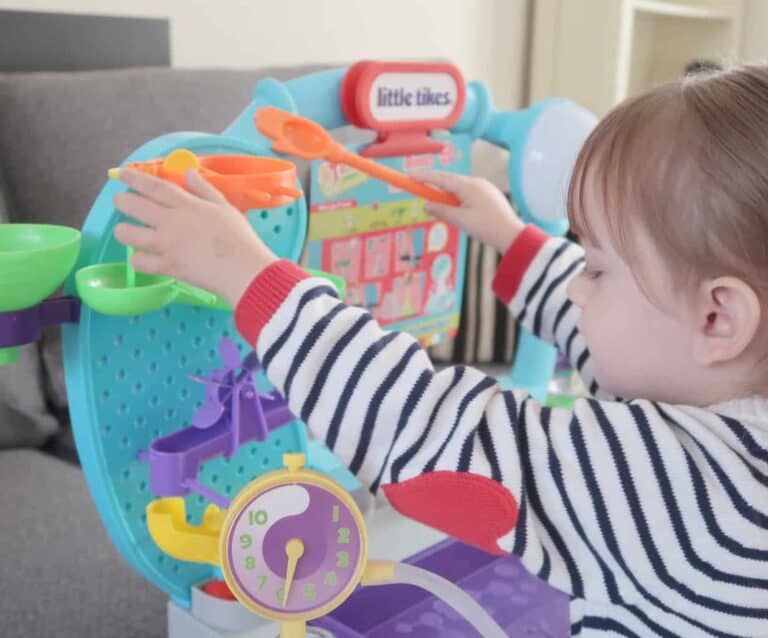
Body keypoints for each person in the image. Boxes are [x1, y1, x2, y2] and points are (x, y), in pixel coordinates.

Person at [113, 65, 768, 636]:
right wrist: (512, 241)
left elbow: (428, 427)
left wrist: (247, 274)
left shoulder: (685, 481)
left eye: (596, 268)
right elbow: (626, 343)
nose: (576, 284)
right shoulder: (731, 415)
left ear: (720, 316)